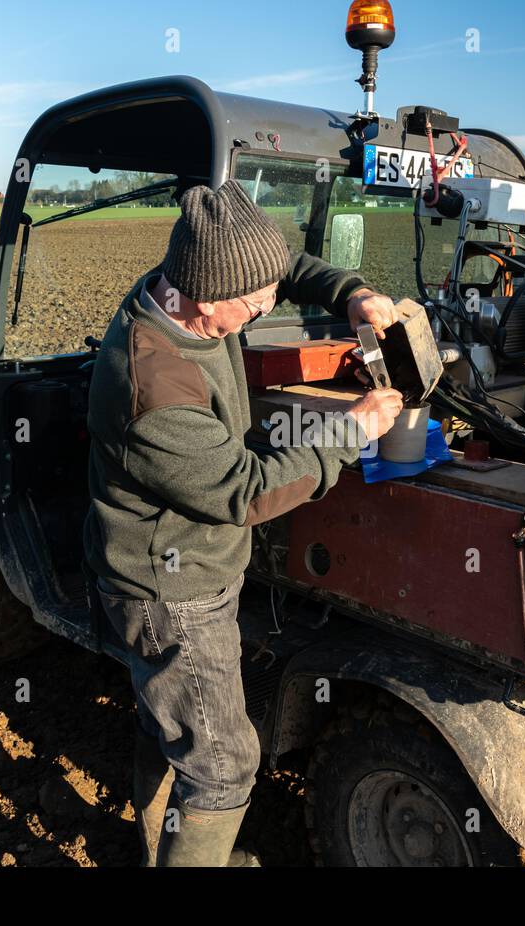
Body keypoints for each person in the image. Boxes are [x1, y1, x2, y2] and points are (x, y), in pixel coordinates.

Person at [83, 179, 404, 866]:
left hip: (192, 565)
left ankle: (155, 848)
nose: (267, 304)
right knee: (225, 766)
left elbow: (279, 269)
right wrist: (352, 431)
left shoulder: (188, 286)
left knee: (169, 723)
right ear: (204, 298)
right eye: (254, 302)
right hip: (171, 591)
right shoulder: (153, 387)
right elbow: (244, 491)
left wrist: (351, 292)